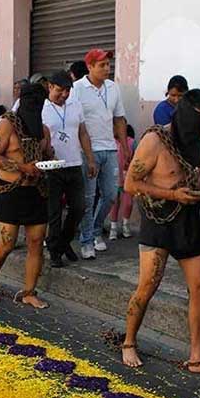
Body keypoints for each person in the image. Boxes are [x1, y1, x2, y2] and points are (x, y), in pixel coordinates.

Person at [121, 89, 200, 380]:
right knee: (148, 285)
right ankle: (129, 341)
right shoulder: (155, 140)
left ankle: (197, 358)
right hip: (158, 222)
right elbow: (131, 184)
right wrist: (171, 194)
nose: (197, 129)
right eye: (194, 121)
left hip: (189, 223)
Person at [0, 83, 54, 307]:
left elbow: (47, 154)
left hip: (36, 191)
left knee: (36, 242)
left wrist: (48, 159)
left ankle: (29, 292)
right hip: (10, 191)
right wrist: (23, 167)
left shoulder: (43, 130)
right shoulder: (6, 125)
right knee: (6, 243)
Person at [71, 48, 131, 259]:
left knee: (111, 194)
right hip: (88, 151)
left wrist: (124, 146)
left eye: (108, 64)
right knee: (88, 198)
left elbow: (119, 119)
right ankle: (87, 240)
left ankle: (96, 230)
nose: (107, 68)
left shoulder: (113, 87)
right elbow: (74, 122)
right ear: (90, 67)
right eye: (102, 65)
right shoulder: (77, 89)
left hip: (110, 149)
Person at [42, 70, 96, 268]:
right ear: (50, 87)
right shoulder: (43, 107)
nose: (64, 95)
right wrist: (48, 153)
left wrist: (90, 159)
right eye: (60, 90)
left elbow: (82, 133)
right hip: (53, 167)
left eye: (67, 91)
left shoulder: (75, 105)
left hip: (74, 164)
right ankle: (54, 250)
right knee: (54, 212)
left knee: (79, 208)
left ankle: (64, 242)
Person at [109, 124, 137, 240]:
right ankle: (113, 227)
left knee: (128, 203)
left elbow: (137, 157)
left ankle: (125, 224)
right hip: (114, 177)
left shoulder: (132, 142)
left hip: (127, 177)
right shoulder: (111, 142)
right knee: (114, 203)